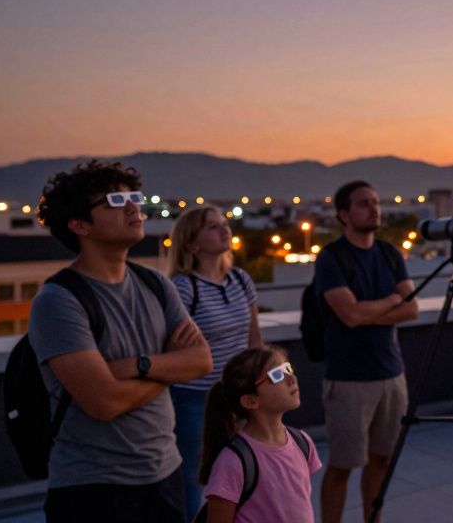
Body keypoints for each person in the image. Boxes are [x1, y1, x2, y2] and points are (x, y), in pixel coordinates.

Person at [29, 160, 212, 522]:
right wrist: (169, 367)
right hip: (94, 488)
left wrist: (137, 366)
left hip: (165, 474)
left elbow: (202, 361)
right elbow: (104, 402)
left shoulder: (155, 284)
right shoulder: (59, 301)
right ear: (80, 225)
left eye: (133, 197)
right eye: (114, 200)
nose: (133, 207)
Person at [315, 180, 420, 523]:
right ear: (344, 214)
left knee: (382, 461)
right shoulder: (332, 257)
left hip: (391, 375)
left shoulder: (389, 253)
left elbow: (412, 310)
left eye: (376, 202)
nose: (374, 208)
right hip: (348, 379)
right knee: (343, 466)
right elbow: (350, 314)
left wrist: (369, 311)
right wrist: (391, 300)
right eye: (364, 204)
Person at [168, 206, 263, 520]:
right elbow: (174, 349)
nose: (225, 230)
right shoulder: (184, 288)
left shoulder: (240, 279)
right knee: (196, 478)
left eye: (225, 224)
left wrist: (260, 389)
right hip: (196, 399)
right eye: (212, 227)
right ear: (192, 242)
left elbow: (254, 341)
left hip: (237, 397)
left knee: (239, 474)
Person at [199, 345, 321, 523]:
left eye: (288, 368)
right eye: (277, 375)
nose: (291, 378)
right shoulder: (233, 461)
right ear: (250, 401)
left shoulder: (303, 443)